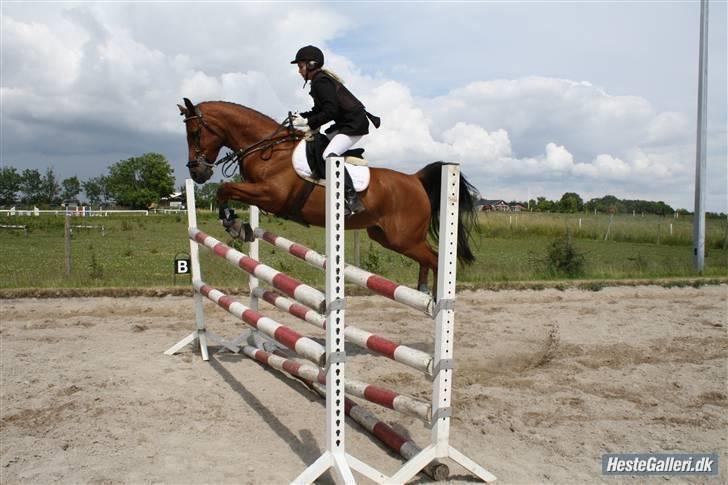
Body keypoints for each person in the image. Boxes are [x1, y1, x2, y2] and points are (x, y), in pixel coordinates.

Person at [290, 45, 380, 216]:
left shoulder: (321, 81)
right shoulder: (319, 81)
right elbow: (320, 110)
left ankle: (351, 198)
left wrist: (308, 121)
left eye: (300, 67)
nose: (299, 71)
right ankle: (349, 156)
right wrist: (300, 117)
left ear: (310, 65)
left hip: (353, 124)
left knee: (328, 155)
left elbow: (330, 112)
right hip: (344, 123)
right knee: (323, 145)